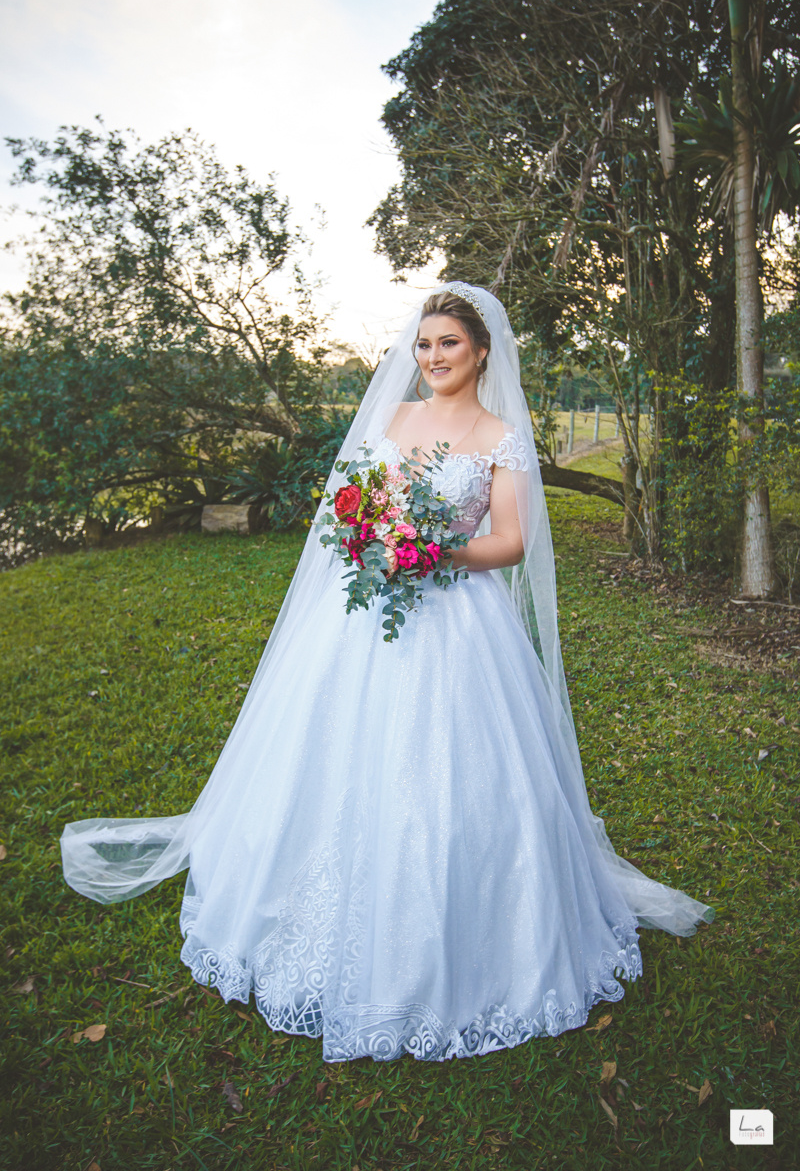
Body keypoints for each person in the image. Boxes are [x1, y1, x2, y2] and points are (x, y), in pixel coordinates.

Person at [61, 282, 714, 1063]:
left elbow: (510, 540)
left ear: (481, 353)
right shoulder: (394, 418)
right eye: (424, 344)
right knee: (332, 751)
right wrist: (370, 534)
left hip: (459, 616)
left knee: (457, 772)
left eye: (449, 344)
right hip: (366, 611)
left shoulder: (500, 436)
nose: (433, 356)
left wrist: (433, 551)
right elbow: (350, 503)